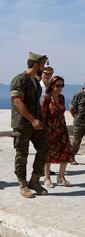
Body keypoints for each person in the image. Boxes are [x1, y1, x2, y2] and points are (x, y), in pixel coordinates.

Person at [10, 51, 49, 198]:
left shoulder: (36, 83)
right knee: (22, 154)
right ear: (37, 64)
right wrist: (32, 120)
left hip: (36, 124)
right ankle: (23, 185)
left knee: (44, 149)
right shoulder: (20, 80)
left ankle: (34, 181)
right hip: (22, 124)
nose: (44, 68)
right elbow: (17, 102)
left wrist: (41, 118)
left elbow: (36, 103)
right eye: (43, 65)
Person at [41, 76, 74, 188]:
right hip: (50, 130)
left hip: (61, 129)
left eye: (62, 86)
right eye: (57, 85)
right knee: (48, 155)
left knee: (66, 152)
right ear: (52, 85)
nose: (60, 88)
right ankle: (47, 178)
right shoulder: (46, 98)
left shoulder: (62, 98)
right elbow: (43, 114)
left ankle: (61, 177)